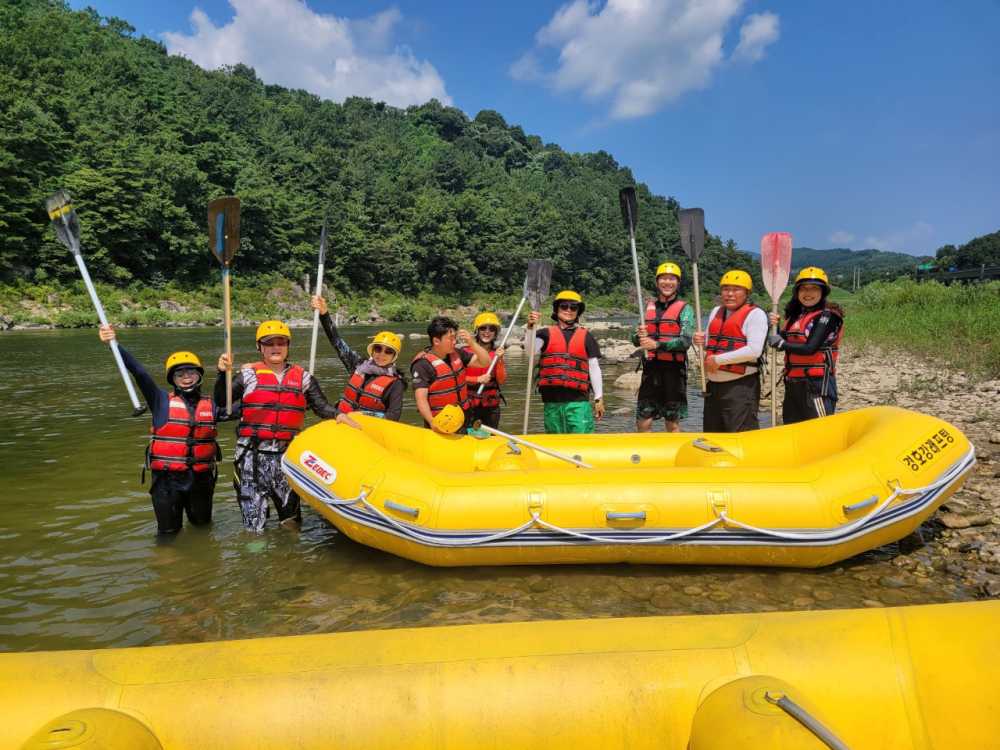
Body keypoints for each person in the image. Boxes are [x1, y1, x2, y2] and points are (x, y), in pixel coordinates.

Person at [216, 320, 339, 533]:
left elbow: (322, 408)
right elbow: (220, 401)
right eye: (269, 343)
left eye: (281, 342)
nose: (275, 347)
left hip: (286, 458)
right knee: (254, 525)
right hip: (251, 459)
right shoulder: (247, 375)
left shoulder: (304, 378)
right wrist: (222, 374)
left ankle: (288, 560)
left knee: (291, 521)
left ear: (287, 346)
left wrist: (343, 416)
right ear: (260, 347)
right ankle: (256, 562)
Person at [98, 324, 221, 535]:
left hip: (201, 480)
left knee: (203, 530)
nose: (186, 377)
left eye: (191, 371)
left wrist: (224, 373)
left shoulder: (213, 405)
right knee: (168, 534)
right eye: (179, 373)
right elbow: (139, 372)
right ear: (172, 378)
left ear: (199, 375)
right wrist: (114, 344)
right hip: (167, 481)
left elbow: (242, 407)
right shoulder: (160, 400)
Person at [310, 296, 406, 426]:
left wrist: (363, 415)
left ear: (394, 356)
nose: (381, 354)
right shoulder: (358, 365)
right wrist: (324, 314)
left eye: (388, 351)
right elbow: (336, 341)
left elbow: (393, 417)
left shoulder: (396, 384)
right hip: (342, 423)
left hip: (367, 429)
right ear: (372, 350)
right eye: (378, 349)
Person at [692, 270, 768, 432]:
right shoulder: (716, 311)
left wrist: (718, 360)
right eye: (726, 289)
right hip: (713, 387)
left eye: (736, 289)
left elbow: (754, 350)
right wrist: (701, 340)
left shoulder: (756, 315)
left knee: (739, 435)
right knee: (713, 435)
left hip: (740, 387)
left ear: (746, 293)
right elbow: (712, 342)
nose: (730, 294)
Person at [767, 267, 845, 423]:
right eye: (803, 288)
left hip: (816, 384)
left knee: (818, 431)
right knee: (792, 428)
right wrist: (773, 326)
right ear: (797, 292)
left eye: (814, 288)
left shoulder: (828, 316)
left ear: (823, 292)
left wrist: (781, 343)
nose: (808, 293)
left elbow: (810, 348)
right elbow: (777, 340)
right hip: (793, 382)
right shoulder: (796, 316)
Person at [526, 290, 604, 434]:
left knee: (581, 440)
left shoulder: (586, 336)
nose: (568, 310)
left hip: (578, 403)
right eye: (564, 306)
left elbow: (594, 368)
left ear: (578, 311)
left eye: (573, 307)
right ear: (557, 309)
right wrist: (530, 327)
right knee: (555, 441)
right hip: (551, 402)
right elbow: (530, 351)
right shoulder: (544, 334)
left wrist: (599, 398)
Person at [632, 262, 695, 433]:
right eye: (664, 279)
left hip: (674, 371)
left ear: (678, 283)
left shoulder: (685, 309)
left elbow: (685, 341)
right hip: (651, 369)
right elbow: (634, 340)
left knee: (672, 421)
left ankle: (673, 455)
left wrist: (657, 345)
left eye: (672, 279)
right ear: (657, 282)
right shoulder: (648, 308)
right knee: (643, 419)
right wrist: (639, 335)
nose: (667, 283)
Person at [410, 316, 491, 433]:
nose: (455, 342)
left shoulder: (457, 354)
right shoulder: (422, 364)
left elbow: (485, 362)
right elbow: (421, 399)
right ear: (436, 341)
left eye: (455, 338)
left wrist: (472, 343)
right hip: (440, 421)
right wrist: (432, 422)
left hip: (463, 416)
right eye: (451, 339)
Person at [463, 312, 507, 429]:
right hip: (469, 404)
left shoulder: (497, 354)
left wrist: (501, 359)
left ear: (495, 333)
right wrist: (477, 379)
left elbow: (501, 380)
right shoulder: (465, 353)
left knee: (490, 437)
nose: (487, 332)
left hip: (490, 406)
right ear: (477, 330)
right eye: (483, 328)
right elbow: (456, 379)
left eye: (491, 329)